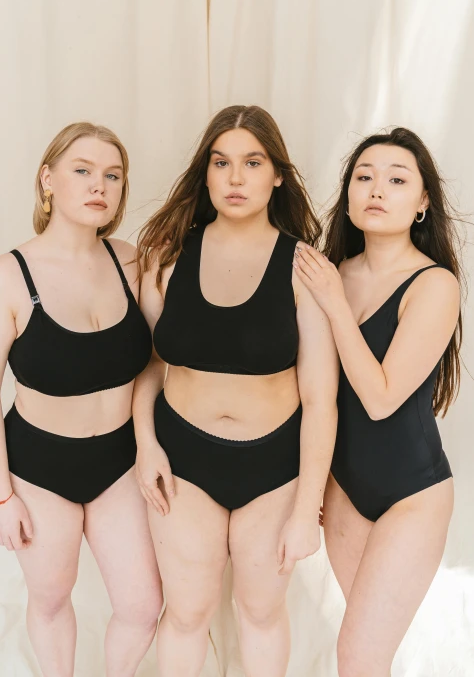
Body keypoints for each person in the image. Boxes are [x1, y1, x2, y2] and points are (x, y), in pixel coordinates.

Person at [133, 105, 339, 677]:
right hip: (182, 459)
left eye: (253, 162)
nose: (236, 177)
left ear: (277, 175)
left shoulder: (304, 268)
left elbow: (322, 400)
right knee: (187, 610)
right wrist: (146, 444)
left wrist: (307, 508)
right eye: (221, 163)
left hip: (274, 467)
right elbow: (148, 364)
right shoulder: (169, 256)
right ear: (206, 174)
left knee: (260, 610)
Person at [0, 122, 162, 677]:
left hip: (119, 461)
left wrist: (148, 444)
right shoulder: (5, 278)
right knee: (51, 599)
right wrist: (1, 498)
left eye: (112, 175)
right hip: (39, 465)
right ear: (47, 180)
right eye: (82, 170)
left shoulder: (131, 263)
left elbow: (156, 360)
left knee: (143, 606)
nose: (99, 185)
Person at [293, 127, 462, 677]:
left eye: (396, 179)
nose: (376, 189)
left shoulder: (434, 285)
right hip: (344, 489)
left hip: (411, 494)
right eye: (363, 177)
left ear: (422, 202)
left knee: (357, 655)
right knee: (367, 656)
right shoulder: (330, 273)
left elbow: (382, 398)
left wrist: (335, 305)